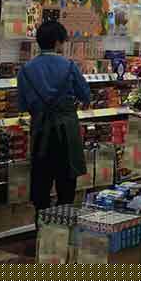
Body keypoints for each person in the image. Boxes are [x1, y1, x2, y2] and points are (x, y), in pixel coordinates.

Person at [18, 20, 91, 216]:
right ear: (58, 42)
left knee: (41, 184)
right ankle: (63, 226)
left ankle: (41, 227)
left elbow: (23, 105)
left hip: (40, 131)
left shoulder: (25, 69)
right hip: (67, 131)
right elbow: (85, 95)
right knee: (66, 185)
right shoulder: (69, 66)